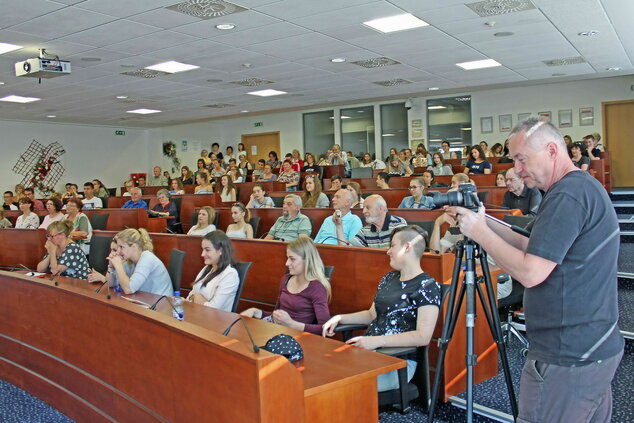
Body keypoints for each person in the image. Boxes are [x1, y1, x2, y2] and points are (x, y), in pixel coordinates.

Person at [455, 118, 625, 423]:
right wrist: (483, 221)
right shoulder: (575, 190)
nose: (517, 169)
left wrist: (480, 233)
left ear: (551, 150)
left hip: (569, 355)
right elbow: (531, 243)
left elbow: (531, 272)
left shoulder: (567, 195)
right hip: (588, 347)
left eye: (522, 159)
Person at [322, 225, 441, 392]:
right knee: (322, 370)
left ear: (407, 247)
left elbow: (423, 336)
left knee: (334, 384)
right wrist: (340, 318)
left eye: (392, 245)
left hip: (397, 361)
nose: (388, 251)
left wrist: (376, 341)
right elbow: (372, 315)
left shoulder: (427, 286)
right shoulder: (389, 278)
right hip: (369, 354)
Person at [242, 237, 331, 335]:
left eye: (292, 259)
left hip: (297, 339)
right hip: (276, 331)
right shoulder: (286, 279)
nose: (287, 263)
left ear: (307, 260)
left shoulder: (316, 287)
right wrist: (256, 312)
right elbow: (277, 315)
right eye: (287, 258)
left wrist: (292, 324)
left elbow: (325, 328)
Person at [186, 231, 240, 311]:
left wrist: (196, 297)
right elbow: (191, 295)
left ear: (221, 251)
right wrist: (195, 297)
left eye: (207, 250)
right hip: (197, 314)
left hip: (215, 321)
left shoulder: (230, 274)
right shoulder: (207, 268)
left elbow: (213, 310)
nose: (202, 254)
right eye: (203, 249)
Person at [110, 228, 173, 296]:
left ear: (134, 247)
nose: (118, 251)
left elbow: (128, 289)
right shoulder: (130, 260)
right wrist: (110, 266)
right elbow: (111, 283)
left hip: (162, 304)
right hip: (147, 301)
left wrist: (118, 265)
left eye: (121, 247)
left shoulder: (147, 258)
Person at [429, 173, 470, 254]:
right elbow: (435, 253)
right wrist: (437, 223)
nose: (444, 207)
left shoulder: (474, 224)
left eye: (450, 203)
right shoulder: (454, 227)